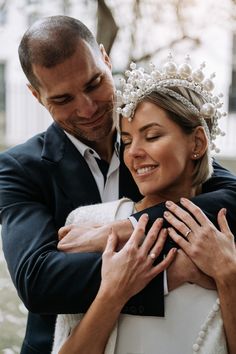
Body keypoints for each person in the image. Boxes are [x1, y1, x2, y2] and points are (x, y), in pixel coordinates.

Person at [0, 15, 235, 353]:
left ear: (106, 59)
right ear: (36, 95)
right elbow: (39, 280)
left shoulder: (152, 142)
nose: (88, 107)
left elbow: (230, 197)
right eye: (63, 99)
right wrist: (172, 271)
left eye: (94, 83)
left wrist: (126, 229)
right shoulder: (19, 169)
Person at [53, 56, 236, 354]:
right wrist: (114, 292)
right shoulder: (88, 223)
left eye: (152, 136)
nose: (134, 153)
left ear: (198, 143)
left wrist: (229, 276)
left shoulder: (228, 236)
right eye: (126, 140)